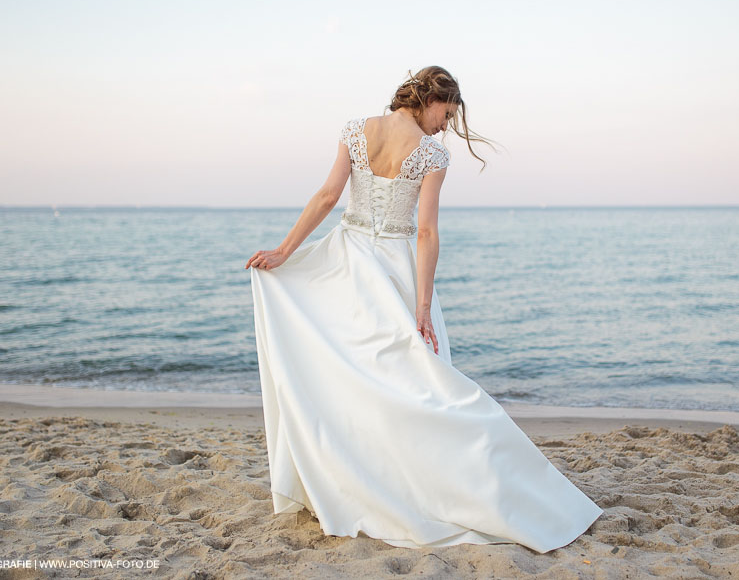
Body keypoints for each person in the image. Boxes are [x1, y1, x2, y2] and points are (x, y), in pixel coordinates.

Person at [245, 66, 603, 552]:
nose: (446, 125)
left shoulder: (356, 130)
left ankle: (359, 479)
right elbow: (428, 232)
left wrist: (286, 251)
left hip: (346, 260)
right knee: (422, 382)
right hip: (391, 267)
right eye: (447, 113)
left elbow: (328, 196)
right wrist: (423, 304)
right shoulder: (432, 153)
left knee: (354, 377)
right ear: (430, 99)